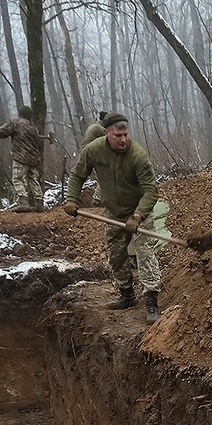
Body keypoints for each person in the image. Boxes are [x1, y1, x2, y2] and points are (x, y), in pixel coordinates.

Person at [63, 113, 168, 325]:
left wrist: (137, 216)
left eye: (126, 134)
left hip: (140, 210)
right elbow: (77, 175)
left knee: (145, 253)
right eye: (118, 135)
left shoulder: (137, 155)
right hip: (113, 211)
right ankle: (126, 295)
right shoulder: (94, 150)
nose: (123, 139)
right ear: (106, 134)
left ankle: (151, 302)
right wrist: (72, 199)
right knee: (115, 252)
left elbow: (151, 191)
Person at [0, 106, 51, 212]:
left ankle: (23, 201)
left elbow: (2, 133)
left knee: (17, 179)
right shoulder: (33, 127)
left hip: (21, 157)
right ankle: (39, 203)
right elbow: (38, 143)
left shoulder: (15, 123)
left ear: (20, 114)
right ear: (30, 116)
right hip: (34, 158)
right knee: (33, 180)